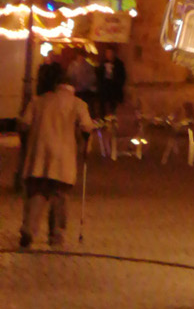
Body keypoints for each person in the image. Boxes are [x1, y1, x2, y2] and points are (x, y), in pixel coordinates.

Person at [19, 71, 96, 249]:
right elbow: (86, 126)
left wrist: (26, 143)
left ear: (55, 86)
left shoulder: (38, 101)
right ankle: (56, 235)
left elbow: (24, 124)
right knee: (59, 197)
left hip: (38, 157)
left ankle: (28, 228)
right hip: (63, 158)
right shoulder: (78, 104)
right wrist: (86, 146)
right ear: (72, 87)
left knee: (37, 193)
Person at [96, 45, 127, 118]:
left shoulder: (119, 64)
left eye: (111, 53)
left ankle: (113, 118)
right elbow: (99, 75)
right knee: (103, 106)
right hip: (104, 88)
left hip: (114, 88)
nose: (109, 55)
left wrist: (117, 83)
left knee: (113, 106)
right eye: (108, 53)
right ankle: (103, 118)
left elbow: (122, 76)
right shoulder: (103, 63)